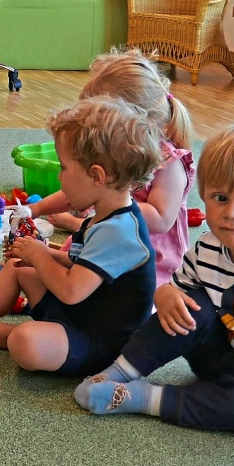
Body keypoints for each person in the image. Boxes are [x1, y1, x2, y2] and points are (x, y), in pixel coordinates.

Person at [73, 123, 234, 466]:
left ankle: (141, 398)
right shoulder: (210, 246)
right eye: (220, 198)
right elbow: (177, 293)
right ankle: (119, 373)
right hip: (216, 351)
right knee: (189, 305)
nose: (232, 213)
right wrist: (164, 295)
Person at [0, 96, 163, 376]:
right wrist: (44, 255)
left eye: (64, 168)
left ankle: (11, 335)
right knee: (19, 267)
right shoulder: (108, 213)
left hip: (101, 344)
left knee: (26, 342)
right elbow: (82, 267)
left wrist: (39, 255)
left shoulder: (119, 231)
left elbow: (72, 291)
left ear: (97, 176)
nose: (59, 178)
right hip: (81, 315)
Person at [30, 49, 196, 287]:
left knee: (101, 292)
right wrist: (36, 208)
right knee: (57, 271)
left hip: (149, 257)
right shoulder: (110, 153)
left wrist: (110, 202)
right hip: (105, 236)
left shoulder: (169, 163)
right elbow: (81, 188)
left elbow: (161, 219)